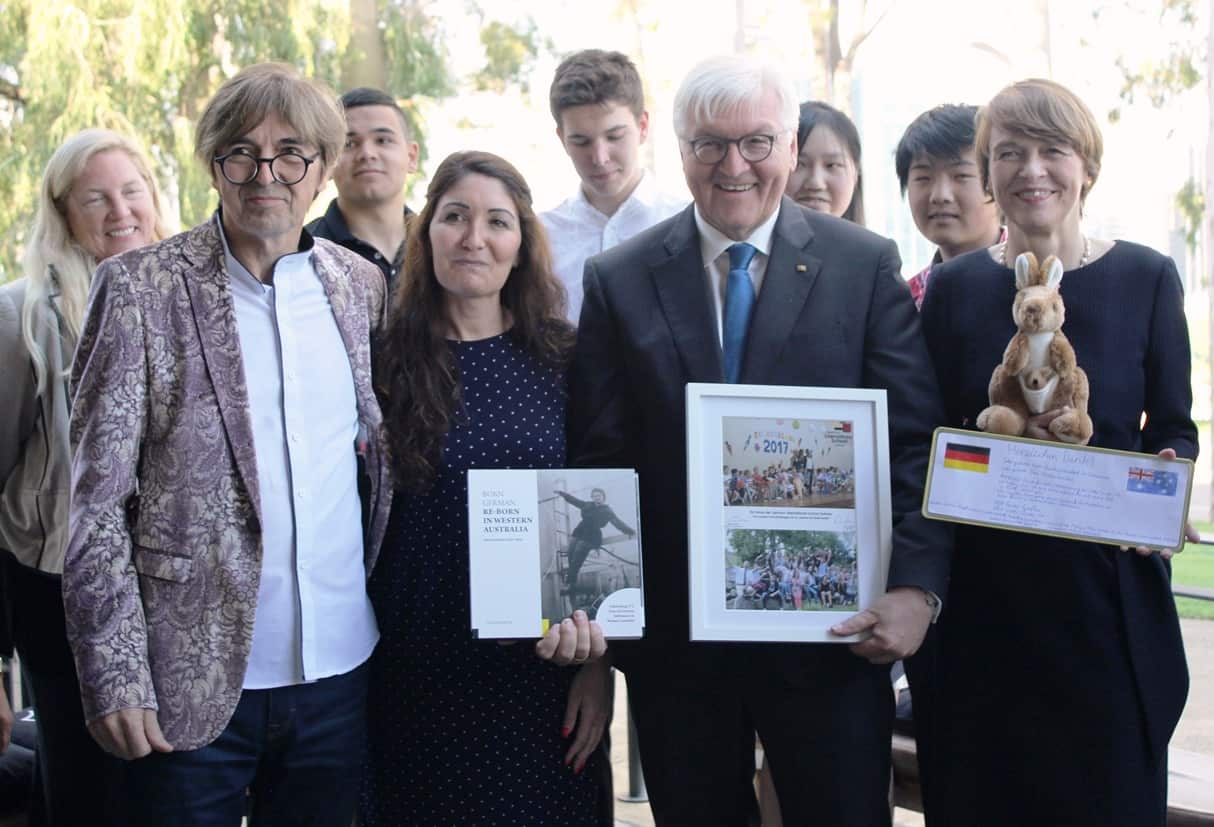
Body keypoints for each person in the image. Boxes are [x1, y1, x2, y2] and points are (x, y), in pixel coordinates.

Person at [568, 55, 949, 826]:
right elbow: (600, 459)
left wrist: (914, 588)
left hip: (833, 641)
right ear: (679, 151)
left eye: (757, 143)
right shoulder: (620, 277)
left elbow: (915, 443)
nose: (733, 165)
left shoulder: (862, 264)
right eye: (709, 144)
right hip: (680, 653)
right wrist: (599, 625)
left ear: (791, 142)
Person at [62, 63, 392, 826]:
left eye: (291, 154)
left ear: (323, 168)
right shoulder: (139, 289)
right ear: (214, 165)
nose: (264, 174)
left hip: (338, 672)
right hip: (188, 677)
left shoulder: (359, 287)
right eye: (241, 153)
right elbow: (96, 504)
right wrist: (114, 673)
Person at [919, 78, 1195, 826]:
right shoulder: (951, 291)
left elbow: (1174, 424)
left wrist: (1167, 478)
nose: (1031, 169)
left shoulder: (1146, 277)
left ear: (1087, 167)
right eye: (1009, 153)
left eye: (1052, 150)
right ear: (989, 175)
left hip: (1105, 620)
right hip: (984, 620)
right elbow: (931, 438)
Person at [364, 150, 612, 826]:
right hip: (414, 672)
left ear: (523, 244)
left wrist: (599, 664)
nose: (475, 237)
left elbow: (604, 495)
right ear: (427, 233)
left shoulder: (566, 357)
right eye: (454, 217)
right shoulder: (379, 361)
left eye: (497, 221)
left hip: (545, 676)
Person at [0, 128, 172, 825]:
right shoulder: (24, 316)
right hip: (57, 587)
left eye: (131, 191)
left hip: (166, 585)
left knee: (164, 783)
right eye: (95, 198)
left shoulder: (189, 297)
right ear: (64, 212)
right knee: (81, 783)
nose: (119, 211)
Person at [540, 49, 685, 324]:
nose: (600, 157)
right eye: (581, 142)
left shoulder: (685, 224)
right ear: (561, 138)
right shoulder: (542, 237)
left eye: (614, 136)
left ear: (643, 126)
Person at [307, 87, 419, 292]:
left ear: (411, 157)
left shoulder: (439, 246)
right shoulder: (303, 254)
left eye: (383, 140)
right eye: (349, 143)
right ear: (328, 161)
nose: (367, 154)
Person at [895, 104, 1004, 309]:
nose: (940, 196)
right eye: (923, 178)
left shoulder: (1037, 285)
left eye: (961, 176)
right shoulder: (906, 304)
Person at [785, 100, 864, 224]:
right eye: (800, 164)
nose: (816, 183)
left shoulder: (874, 244)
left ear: (855, 174)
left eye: (832, 165)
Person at [556, 487, 637, 588]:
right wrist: (562, 494)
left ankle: (570, 582)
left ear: (603, 497)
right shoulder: (588, 505)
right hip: (580, 531)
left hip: (592, 535)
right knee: (571, 551)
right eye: (594, 496)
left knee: (578, 553)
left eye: (598, 496)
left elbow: (617, 523)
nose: (596, 498)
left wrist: (629, 531)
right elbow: (575, 501)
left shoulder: (607, 511)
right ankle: (573, 578)